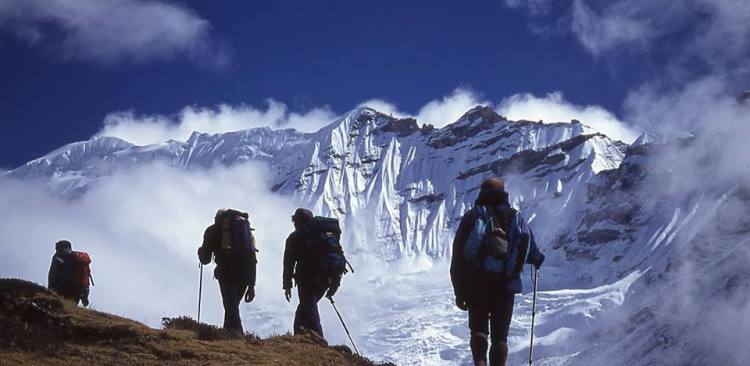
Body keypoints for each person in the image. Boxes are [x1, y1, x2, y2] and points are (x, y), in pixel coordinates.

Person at [450, 177, 545, 366]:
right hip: (505, 287)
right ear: (504, 194)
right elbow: (532, 251)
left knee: (478, 330)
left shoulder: (473, 217)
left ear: (482, 193)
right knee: (500, 337)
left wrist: (459, 292)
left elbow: (458, 258)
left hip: (477, 285)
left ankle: (479, 362)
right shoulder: (516, 218)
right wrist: (538, 260)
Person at [282, 208, 342, 338]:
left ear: (297, 222)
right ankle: (301, 338)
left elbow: (288, 264)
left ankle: (319, 341)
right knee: (304, 311)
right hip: (325, 280)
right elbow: (337, 256)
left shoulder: (294, 238)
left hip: (306, 280)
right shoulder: (325, 234)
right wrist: (334, 285)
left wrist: (287, 285)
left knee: (310, 311)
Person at [198, 209, 257, 335]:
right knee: (232, 307)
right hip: (246, 275)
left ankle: (238, 338)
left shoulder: (213, 230)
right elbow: (252, 259)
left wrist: (201, 252)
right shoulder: (246, 231)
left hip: (226, 274)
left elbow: (206, 259)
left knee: (231, 308)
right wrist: (252, 286)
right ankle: (228, 337)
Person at [48, 240, 91, 306]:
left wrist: (50, 290)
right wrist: (85, 297)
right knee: (69, 308)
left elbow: (52, 275)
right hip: (76, 292)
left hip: (61, 289)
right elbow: (85, 279)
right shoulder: (78, 258)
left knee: (56, 308)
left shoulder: (58, 256)